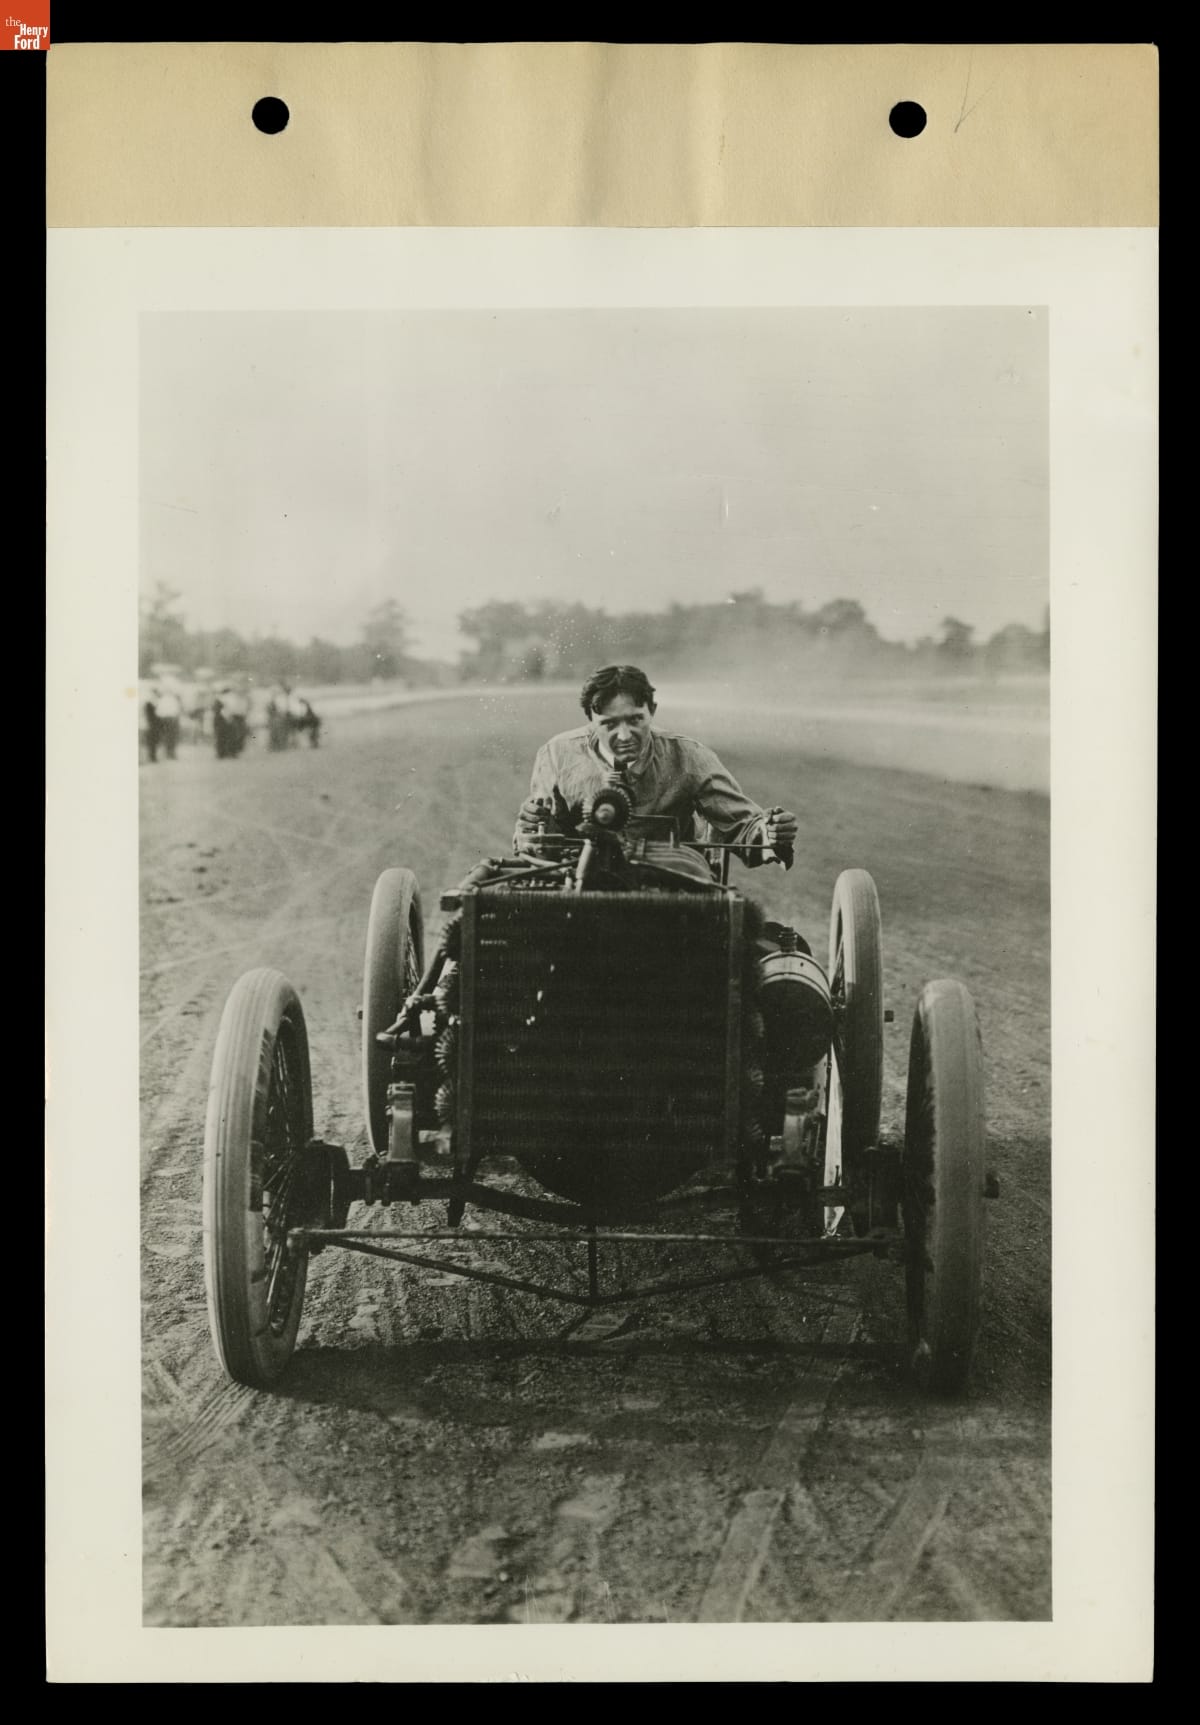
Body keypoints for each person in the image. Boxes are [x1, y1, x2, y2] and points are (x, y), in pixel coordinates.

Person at [514, 664, 799, 886]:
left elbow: (743, 825)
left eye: (635, 720)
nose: (624, 736)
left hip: (672, 887)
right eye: (609, 724)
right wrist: (534, 826)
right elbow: (536, 841)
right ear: (591, 720)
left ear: (652, 711)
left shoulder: (689, 756)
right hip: (582, 883)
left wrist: (770, 832)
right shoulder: (557, 755)